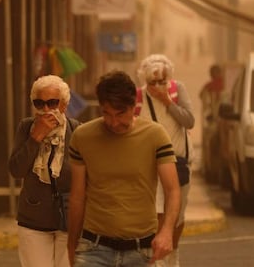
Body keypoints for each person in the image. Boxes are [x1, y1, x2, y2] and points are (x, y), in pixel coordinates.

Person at [67, 70, 181, 267]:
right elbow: (77, 196)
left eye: (120, 114)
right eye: (106, 114)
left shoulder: (155, 135)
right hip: (93, 249)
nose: (113, 123)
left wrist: (167, 231)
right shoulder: (82, 137)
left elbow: (172, 189)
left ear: (132, 107)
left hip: (141, 251)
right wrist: (71, 244)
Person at [8, 75, 81, 267]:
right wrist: (36, 137)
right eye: (40, 103)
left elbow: (81, 177)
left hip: (68, 220)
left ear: (64, 105)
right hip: (33, 219)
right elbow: (16, 169)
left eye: (52, 103)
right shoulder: (26, 127)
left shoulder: (77, 131)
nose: (46, 110)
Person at [136, 54, 195, 267]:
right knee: (158, 212)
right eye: (154, 82)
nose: (158, 86)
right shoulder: (139, 97)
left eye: (163, 81)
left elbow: (189, 121)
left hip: (178, 162)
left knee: (177, 215)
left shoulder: (178, 90)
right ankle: (157, 259)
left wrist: (167, 101)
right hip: (151, 165)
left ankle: (173, 252)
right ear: (146, 80)